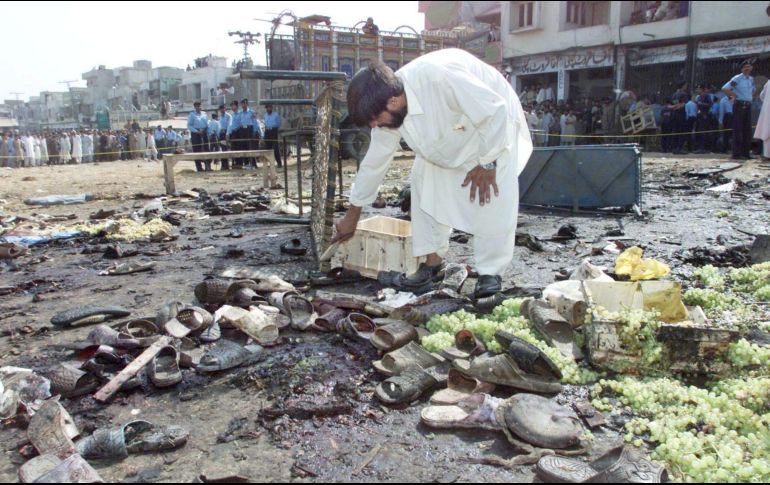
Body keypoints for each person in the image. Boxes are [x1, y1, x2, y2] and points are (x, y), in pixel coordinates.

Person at [332, 49, 533, 299]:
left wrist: (488, 163)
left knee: (491, 196)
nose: (375, 125)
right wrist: (353, 214)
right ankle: (432, 265)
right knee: (424, 182)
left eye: (375, 119)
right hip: (451, 134)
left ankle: (490, 274)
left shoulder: (441, 77)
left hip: (494, 128)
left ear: (393, 102)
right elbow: (374, 163)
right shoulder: (387, 105)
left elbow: (495, 111)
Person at [723, 60, 756, 160]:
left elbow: (753, 90)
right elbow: (725, 88)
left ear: (751, 68)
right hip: (739, 105)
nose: (747, 68)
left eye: (749, 66)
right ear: (741, 69)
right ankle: (736, 154)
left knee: (747, 130)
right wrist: (736, 96)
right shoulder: (737, 78)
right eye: (745, 67)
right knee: (738, 130)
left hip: (748, 105)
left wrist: (749, 98)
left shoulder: (751, 79)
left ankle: (746, 153)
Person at [187, 101, 210, 171]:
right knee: (197, 149)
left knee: (206, 149)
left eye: (199, 106)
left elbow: (207, 124)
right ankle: (199, 168)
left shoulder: (204, 114)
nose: (198, 107)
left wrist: (207, 131)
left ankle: (208, 166)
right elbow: (189, 125)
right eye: (197, 106)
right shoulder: (192, 114)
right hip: (196, 133)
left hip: (204, 132)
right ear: (195, 107)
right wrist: (197, 131)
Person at [263, 103, 283, 168]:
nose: (268, 109)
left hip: (273, 131)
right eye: (267, 108)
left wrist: (274, 128)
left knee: (275, 148)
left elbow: (278, 123)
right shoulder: (265, 115)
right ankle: (271, 163)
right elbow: (265, 124)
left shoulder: (275, 115)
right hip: (267, 131)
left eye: (269, 107)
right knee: (268, 148)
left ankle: (279, 163)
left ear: (271, 108)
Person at [755, 80, 770, 161]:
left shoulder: (768, 82)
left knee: (767, 131)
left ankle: (767, 155)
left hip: (767, 111)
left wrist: (767, 102)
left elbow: (762, 95)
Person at [218, 104, 233, 170]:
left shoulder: (228, 116)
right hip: (221, 134)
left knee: (226, 149)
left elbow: (229, 125)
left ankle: (226, 165)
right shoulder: (220, 117)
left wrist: (227, 134)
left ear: (225, 109)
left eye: (223, 108)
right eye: (221, 109)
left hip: (226, 133)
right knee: (222, 150)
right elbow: (219, 126)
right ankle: (223, 165)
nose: (222, 110)